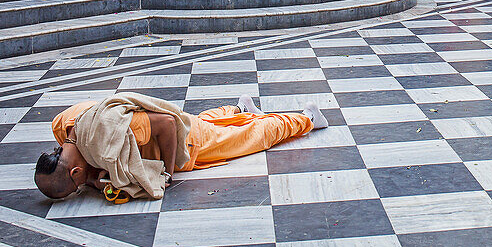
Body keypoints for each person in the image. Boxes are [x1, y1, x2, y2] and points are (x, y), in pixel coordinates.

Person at [34, 92, 326, 202]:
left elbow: (166, 125)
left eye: (76, 188)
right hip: (182, 124)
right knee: (203, 122)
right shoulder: (63, 123)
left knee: (251, 136)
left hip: (186, 140)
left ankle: (307, 118)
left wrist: (169, 172)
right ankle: (238, 107)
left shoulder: (115, 132)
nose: (81, 189)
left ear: (74, 172)